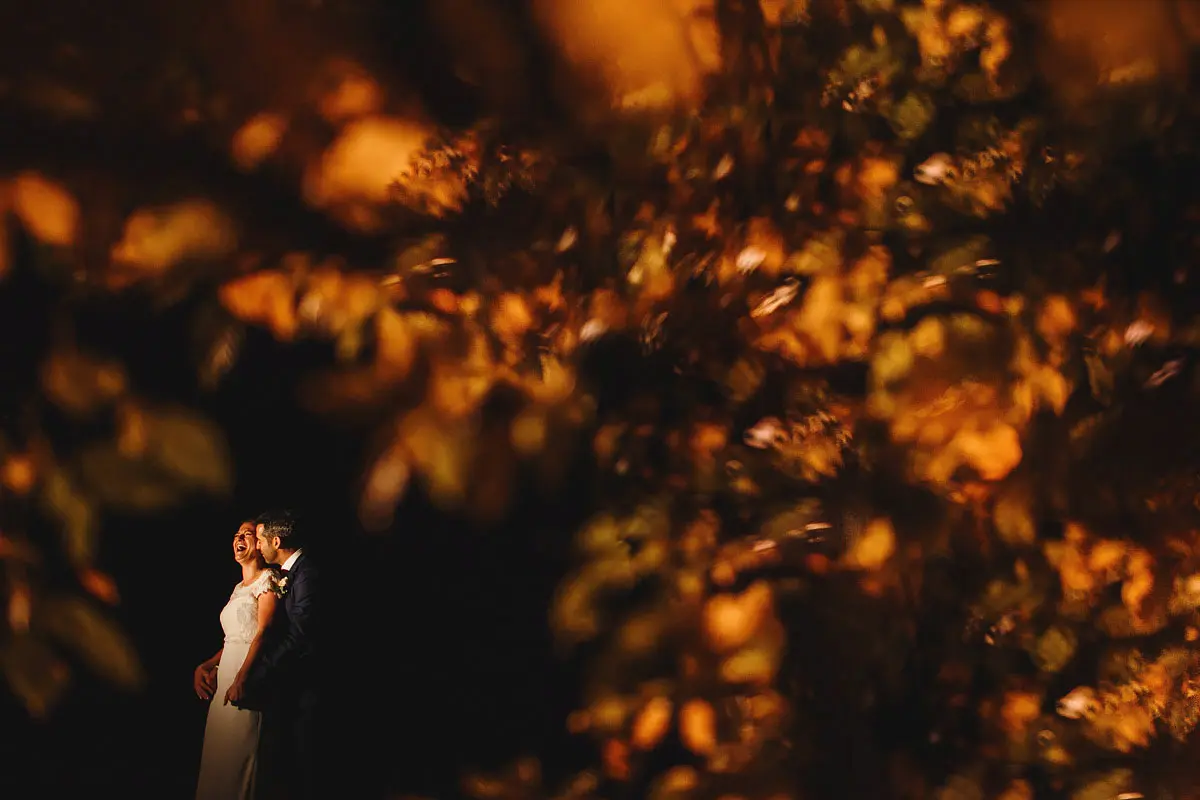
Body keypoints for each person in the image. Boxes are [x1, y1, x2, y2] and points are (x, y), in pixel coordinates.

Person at [236, 509, 326, 800]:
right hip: (286, 687)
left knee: (306, 768)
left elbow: (299, 635)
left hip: (307, 689)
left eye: (261, 540)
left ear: (276, 541)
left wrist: (258, 674)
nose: (259, 546)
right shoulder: (286, 575)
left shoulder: (307, 574)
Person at [193, 521, 280, 800]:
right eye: (236, 534)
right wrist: (207, 665)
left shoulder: (267, 579)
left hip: (246, 677)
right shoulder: (238, 588)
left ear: (260, 543)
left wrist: (242, 678)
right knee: (218, 761)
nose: (239, 538)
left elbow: (263, 632)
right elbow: (232, 638)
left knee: (239, 761)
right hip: (225, 679)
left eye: (247, 534)